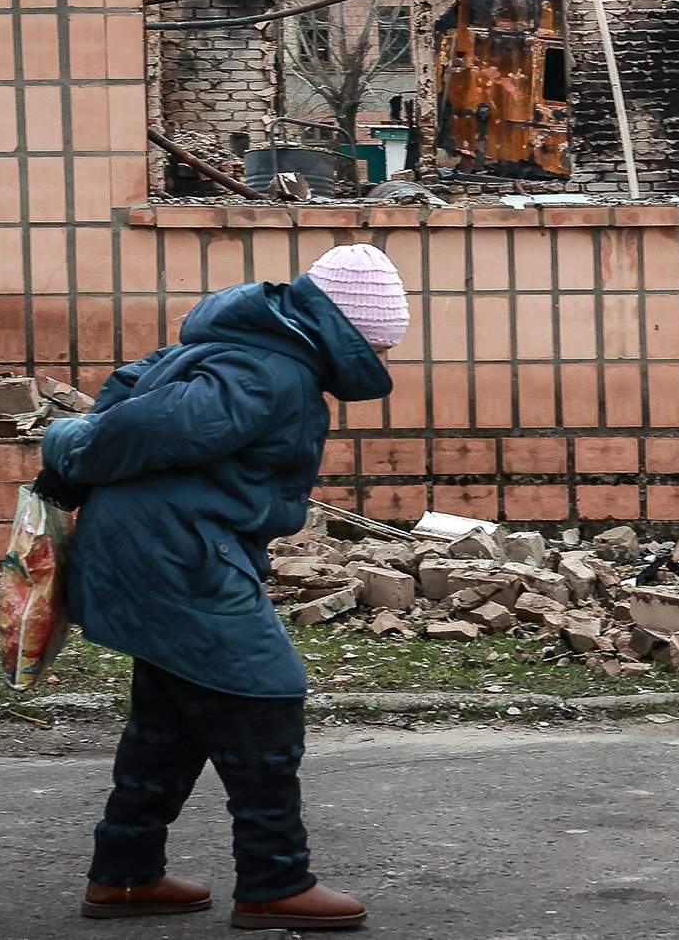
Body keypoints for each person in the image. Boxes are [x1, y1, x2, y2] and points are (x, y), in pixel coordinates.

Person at [34, 243, 409, 931]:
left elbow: (132, 380)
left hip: (169, 546)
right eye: (381, 336)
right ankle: (274, 879)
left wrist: (86, 452)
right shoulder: (271, 369)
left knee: (173, 708)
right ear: (349, 327)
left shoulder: (250, 346)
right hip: (176, 554)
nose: (385, 351)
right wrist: (73, 450)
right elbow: (146, 418)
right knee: (266, 688)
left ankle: (124, 871)